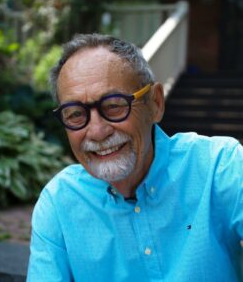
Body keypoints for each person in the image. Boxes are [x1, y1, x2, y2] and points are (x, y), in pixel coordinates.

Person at [27, 33, 243, 282]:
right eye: (75, 114)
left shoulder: (219, 165)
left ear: (155, 104)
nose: (97, 132)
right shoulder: (59, 202)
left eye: (114, 105)